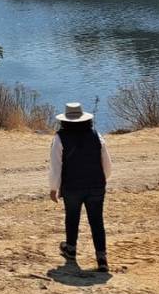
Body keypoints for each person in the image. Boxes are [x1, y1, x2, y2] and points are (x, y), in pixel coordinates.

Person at [48, 102, 113, 272]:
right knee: (97, 221)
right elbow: (107, 164)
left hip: (72, 187)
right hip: (96, 186)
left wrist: (54, 188)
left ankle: (71, 249)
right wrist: (101, 181)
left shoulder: (59, 138)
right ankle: (101, 257)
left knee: (72, 217)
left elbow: (56, 166)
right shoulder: (96, 135)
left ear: (65, 121)